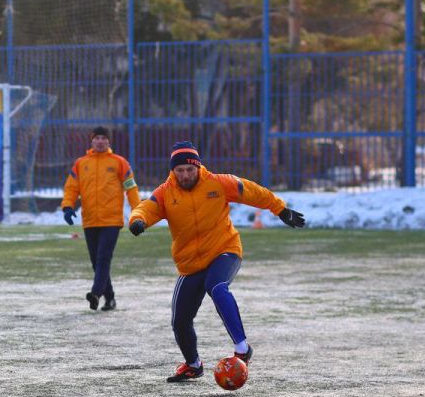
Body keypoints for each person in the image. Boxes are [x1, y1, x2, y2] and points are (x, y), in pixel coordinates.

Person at [128, 141, 306, 382]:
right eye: (179, 171)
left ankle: (243, 348)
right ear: (173, 171)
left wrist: (281, 210)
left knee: (217, 286)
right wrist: (137, 221)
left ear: (198, 167)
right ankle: (193, 365)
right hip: (190, 264)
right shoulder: (165, 192)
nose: (185, 175)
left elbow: (252, 190)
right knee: (180, 320)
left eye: (189, 170)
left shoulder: (219, 183)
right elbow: (145, 208)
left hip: (225, 251)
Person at [61, 126, 141, 312]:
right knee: (95, 262)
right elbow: (71, 188)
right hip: (89, 220)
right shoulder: (81, 163)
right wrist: (67, 206)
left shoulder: (119, 163)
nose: (100, 141)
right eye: (97, 138)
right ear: (91, 141)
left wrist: (139, 212)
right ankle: (110, 298)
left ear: (108, 141)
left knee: (103, 259)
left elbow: (131, 188)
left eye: (103, 138)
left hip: (111, 220)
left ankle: (96, 293)